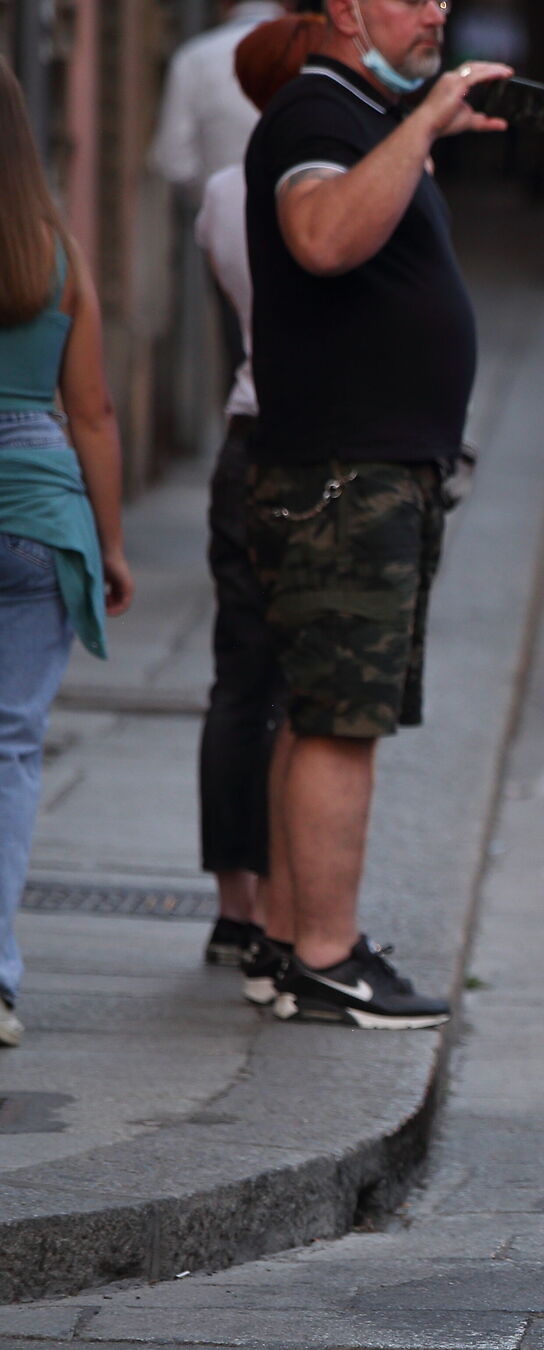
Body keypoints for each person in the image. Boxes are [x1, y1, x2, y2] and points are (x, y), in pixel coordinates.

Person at [243, 0, 512, 1028]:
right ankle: (326, 954)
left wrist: (419, 131)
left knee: (318, 714)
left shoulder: (360, 112)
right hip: (343, 478)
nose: (437, 9)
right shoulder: (320, 113)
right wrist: (421, 123)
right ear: (348, 10)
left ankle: (285, 937)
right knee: (340, 726)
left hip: (360, 470)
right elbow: (319, 236)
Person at [191, 13, 335, 990]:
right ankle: (296, 909)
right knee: (305, 693)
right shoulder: (311, 194)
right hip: (311, 447)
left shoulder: (216, 195)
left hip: (240, 440)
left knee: (238, 684)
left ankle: (234, 908)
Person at [0, 63, 135, 1050]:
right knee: (9, 748)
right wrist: (114, 542)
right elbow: (91, 413)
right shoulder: (53, 252)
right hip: (43, 512)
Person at [151, 0, 295, 190]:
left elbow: (173, 158)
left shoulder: (194, 57)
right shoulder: (315, 53)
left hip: (221, 210)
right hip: (303, 210)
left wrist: (214, 192)